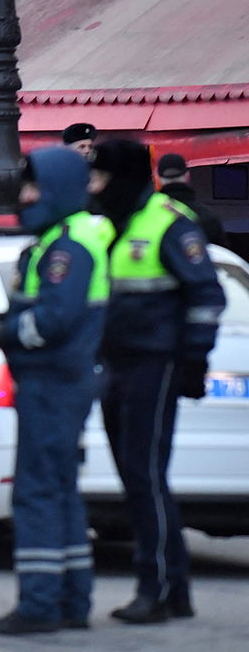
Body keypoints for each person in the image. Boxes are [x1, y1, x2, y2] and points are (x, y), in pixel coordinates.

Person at [90, 139, 225, 624]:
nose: (93, 187)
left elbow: (207, 294)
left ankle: (158, 588)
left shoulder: (167, 223)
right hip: (117, 366)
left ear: (121, 177)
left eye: (100, 178)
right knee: (135, 478)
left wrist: (194, 360)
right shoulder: (109, 223)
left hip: (156, 364)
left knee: (145, 477)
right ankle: (174, 589)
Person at [0, 147, 115, 634]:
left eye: (34, 187)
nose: (26, 195)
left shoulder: (66, 247)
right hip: (60, 380)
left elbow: (57, 320)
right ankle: (72, 601)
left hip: (53, 382)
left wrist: (9, 333)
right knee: (60, 492)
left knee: (38, 493)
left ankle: (39, 605)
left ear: (58, 189)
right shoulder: (64, 238)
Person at [157, 153, 228, 247]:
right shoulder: (208, 217)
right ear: (187, 176)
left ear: (158, 178)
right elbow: (222, 257)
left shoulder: (146, 216)